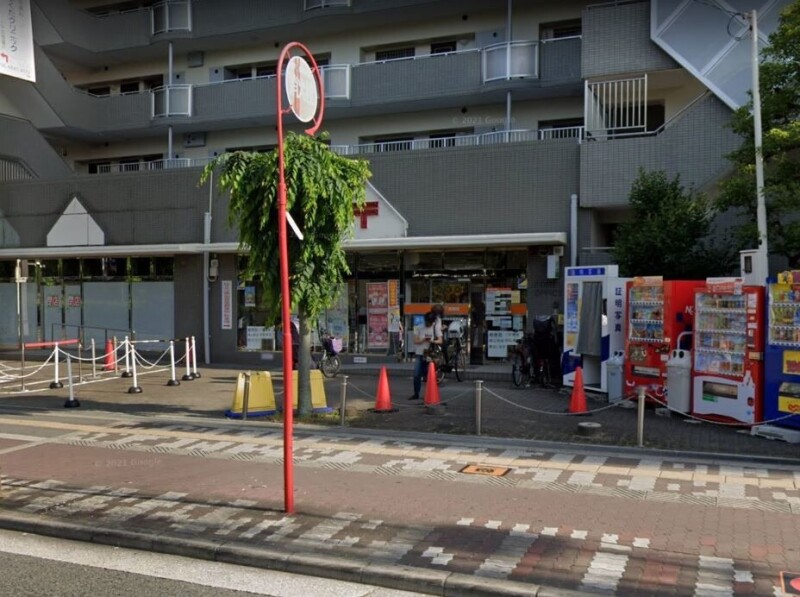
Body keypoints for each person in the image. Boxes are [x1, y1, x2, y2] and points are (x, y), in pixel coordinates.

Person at [409, 310, 442, 400]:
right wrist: (423, 340)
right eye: (427, 322)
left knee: (429, 375)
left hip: (430, 355)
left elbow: (440, 340)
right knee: (416, 374)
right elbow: (415, 340)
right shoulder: (419, 327)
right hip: (420, 353)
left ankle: (430, 394)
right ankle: (416, 393)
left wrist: (432, 341)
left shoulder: (435, 328)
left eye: (430, 323)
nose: (428, 324)